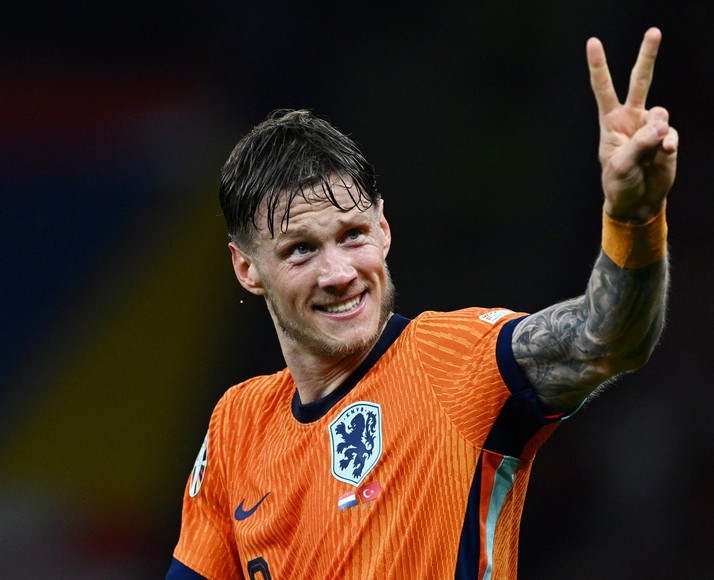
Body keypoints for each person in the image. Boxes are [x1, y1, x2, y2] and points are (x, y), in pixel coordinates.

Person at [167, 26, 677, 580]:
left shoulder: (456, 361)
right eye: (301, 250)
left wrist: (634, 218)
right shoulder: (236, 427)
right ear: (247, 269)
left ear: (384, 229)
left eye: (353, 235)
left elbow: (607, 338)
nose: (339, 273)